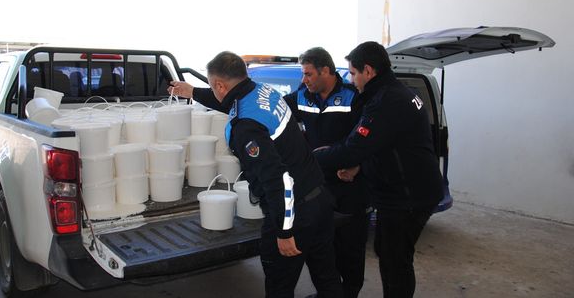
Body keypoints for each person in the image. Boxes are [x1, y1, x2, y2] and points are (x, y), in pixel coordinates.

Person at [169, 51, 343, 298]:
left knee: (279, 286)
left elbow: (277, 179)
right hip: (319, 198)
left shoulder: (246, 127)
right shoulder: (263, 92)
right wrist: (194, 92)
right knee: (327, 278)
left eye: (212, 85)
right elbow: (229, 99)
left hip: (295, 212)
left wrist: (284, 232)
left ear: (220, 84)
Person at [313, 42, 444, 298]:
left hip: (407, 196)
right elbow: (383, 143)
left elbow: (354, 148)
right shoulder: (393, 92)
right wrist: (358, 166)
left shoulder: (386, 101)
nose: (351, 79)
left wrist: (311, 160)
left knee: (395, 262)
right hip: (410, 190)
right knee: (389, 252)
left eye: (352, 73)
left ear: (369, 71)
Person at [283, 47, 371, 298]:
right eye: (303, 74)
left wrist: (358, 165)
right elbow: (270, 109)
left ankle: (350, 293)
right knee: (323, 249)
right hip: (318, 188)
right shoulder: (301, 97)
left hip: (350, 185)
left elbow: (372, 139)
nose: (304, 80)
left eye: (308, 74)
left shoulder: (353, 97)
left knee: (351, 248)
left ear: (326, 71)